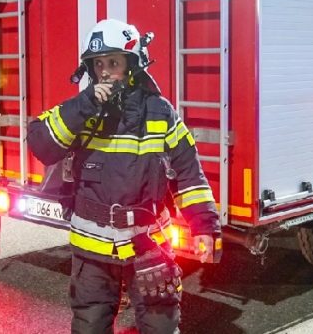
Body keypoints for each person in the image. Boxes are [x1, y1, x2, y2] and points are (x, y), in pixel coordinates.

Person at [28, 19, 221, 334]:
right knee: (89, 328)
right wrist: (85, 105)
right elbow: (41, 144)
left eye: (114, 63)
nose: (105, 72)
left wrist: (204, 225)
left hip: (148, 243)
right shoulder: (81, 112)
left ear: (132, 65)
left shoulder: (160, 112)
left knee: (160, 327)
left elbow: (189, 174)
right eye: (98, 64)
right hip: (92, 248)